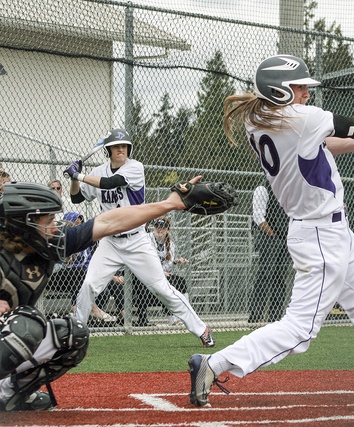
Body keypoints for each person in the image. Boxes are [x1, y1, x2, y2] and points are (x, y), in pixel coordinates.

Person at [187, 54, 354, 407]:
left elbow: (320, 145)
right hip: (318, 235)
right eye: (299, 87)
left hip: (333, 232)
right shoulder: (301, 117)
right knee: (300, 330)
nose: (305, 93)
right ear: (279, 90)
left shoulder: (263, 117)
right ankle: (213, 364)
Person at [0, 176, 208, 411]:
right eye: (48, 221)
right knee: (26, 323)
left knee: (71, 334)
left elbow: (111, 221)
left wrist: (170, 203)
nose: (56, 227)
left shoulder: (48, 244)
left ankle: (8, 394)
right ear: (23, 223)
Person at [64, 129, 214, 347]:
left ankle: (202, 329)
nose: (121, 150)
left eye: (124, 146)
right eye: (116, 146)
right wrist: (73, 179)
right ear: (108, 150)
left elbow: (110, 183)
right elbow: (76, 197)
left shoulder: (135, 168)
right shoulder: (97, 171)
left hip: (136, 239)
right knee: (89, 285)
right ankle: (77, 336)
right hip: (109, 241)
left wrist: (78, 174)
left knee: (162, 288)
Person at [48, 212, 117, 323]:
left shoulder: (84, 243)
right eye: (75, 224)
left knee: (104, 288)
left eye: (80, 224)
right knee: (79, 273)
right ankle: (84, 308)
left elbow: (89, 261)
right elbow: (59, 263)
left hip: (76, 277)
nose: (77, 227)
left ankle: (91, 317)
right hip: (56, 274)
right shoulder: (59, 236)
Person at [248, 181, 290, 324]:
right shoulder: (262, 188)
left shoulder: (284, 188)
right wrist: (272, 234)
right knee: (265, 274)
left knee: (280, 276)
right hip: (269, 237)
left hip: (284, 237)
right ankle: (256, 315)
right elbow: (258, 216)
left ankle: (275, 316)